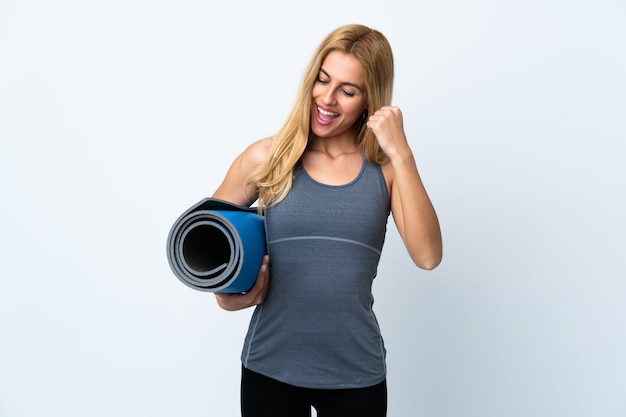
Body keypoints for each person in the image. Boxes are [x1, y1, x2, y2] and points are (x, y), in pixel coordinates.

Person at [211, 24, 442, 417]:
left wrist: (401, 153)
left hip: (355, 374)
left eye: (348, 91)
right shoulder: (267, 158)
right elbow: (208, 243)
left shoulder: (385, 171)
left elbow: (428, 256)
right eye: (322, 80)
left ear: (372, 100)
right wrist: (226, 294)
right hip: (270, 367)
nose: (328, 99)